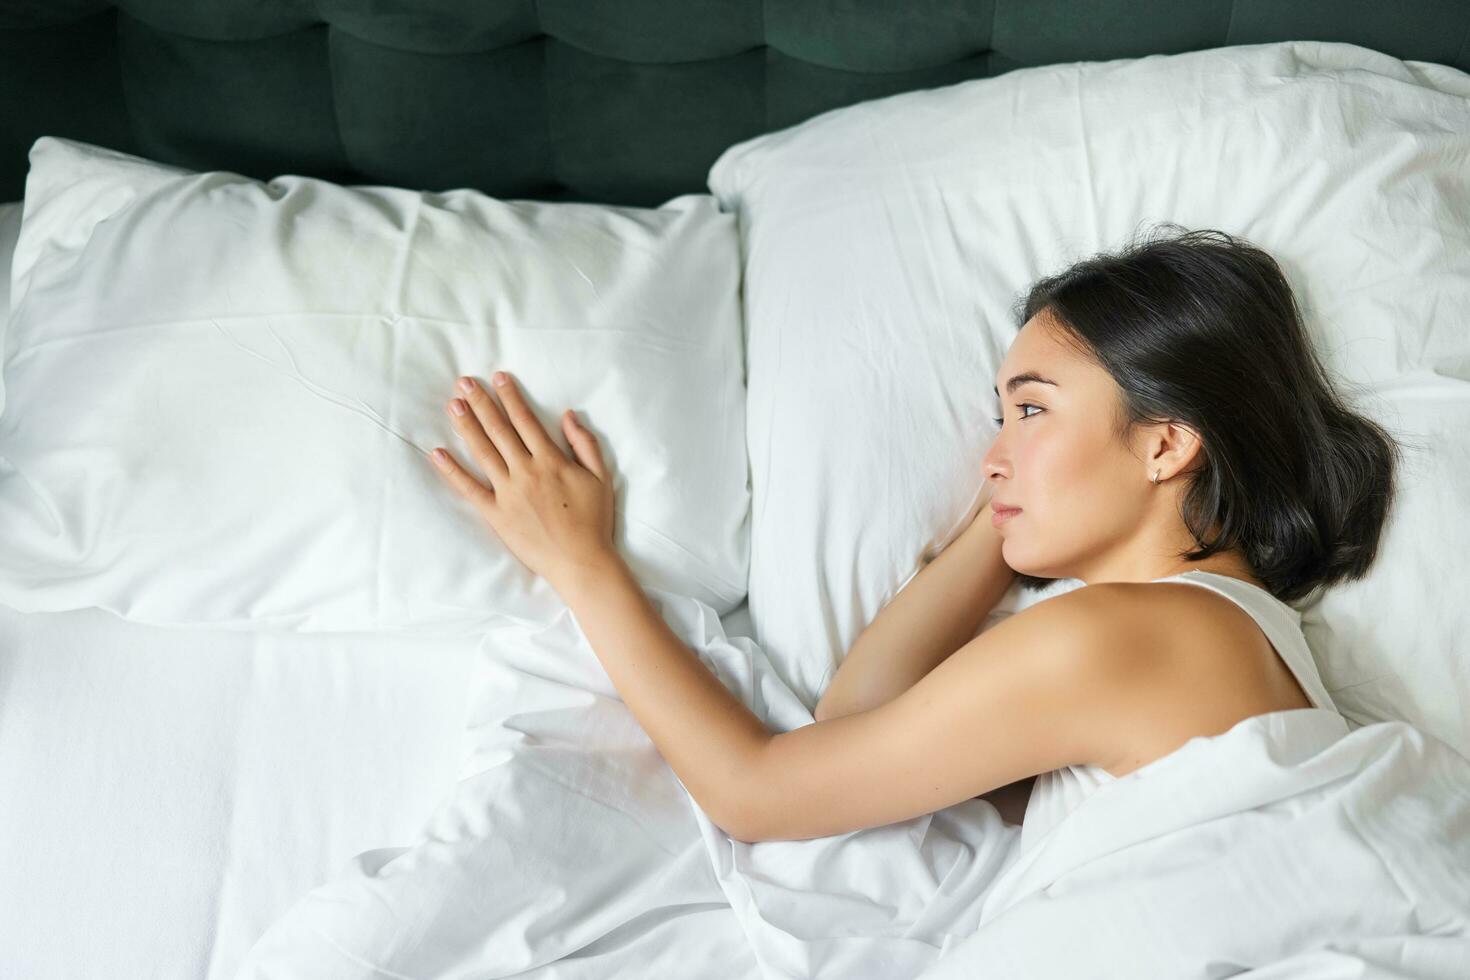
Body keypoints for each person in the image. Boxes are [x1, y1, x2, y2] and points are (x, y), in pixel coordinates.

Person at [768, 224, 1402, 845]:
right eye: (1002, 416)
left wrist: (660, 602)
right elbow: (857, 727)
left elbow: (762, 795)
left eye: (1032, 409)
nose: (990, 459)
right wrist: (1017, 501)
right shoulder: (1236, 632)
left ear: (1166, 443)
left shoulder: (1117, 634)